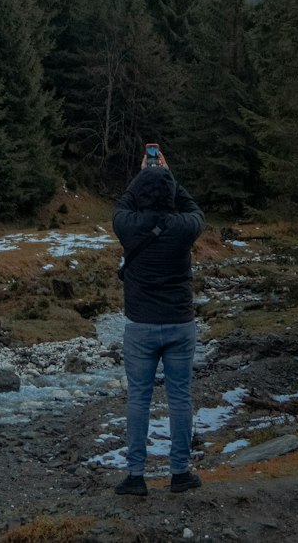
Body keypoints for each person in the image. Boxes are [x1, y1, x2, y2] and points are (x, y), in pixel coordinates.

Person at [111, 147, 205, 497]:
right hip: (180, 323)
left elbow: (123, 203)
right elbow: (194, 208)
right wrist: (168, 177)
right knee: (180, 397)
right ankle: (180, 472)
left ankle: (136, 476)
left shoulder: (128, 226)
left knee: (138, 398)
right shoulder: (185, 227)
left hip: (140, 326)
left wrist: (143, 175)